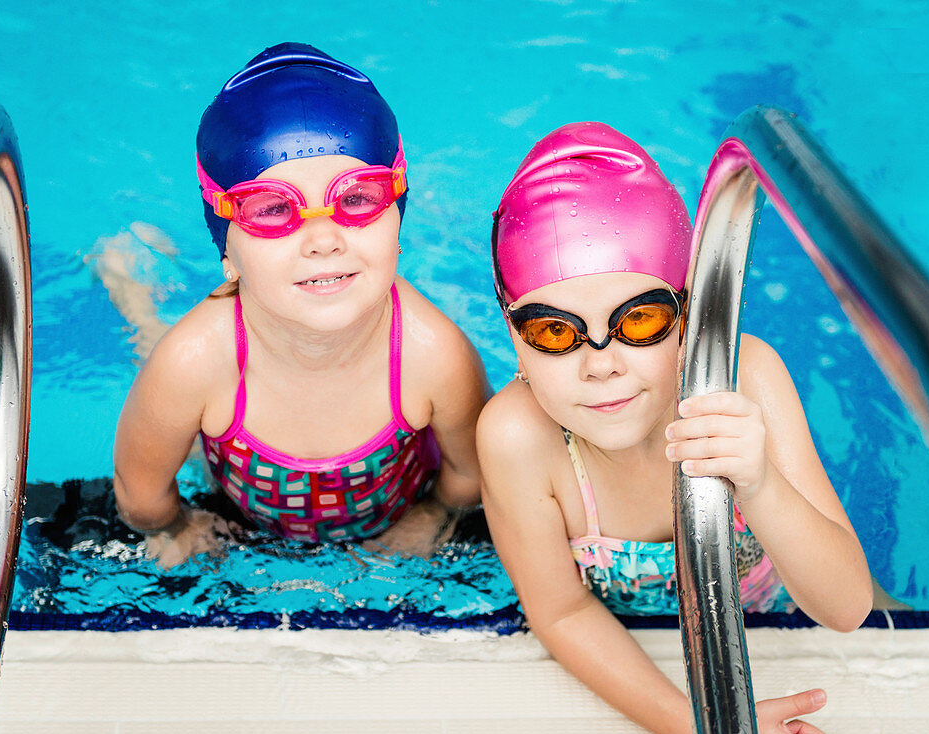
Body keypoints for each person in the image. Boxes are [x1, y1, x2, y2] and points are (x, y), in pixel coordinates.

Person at [477, 122, 873, 734]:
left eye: (639, 322)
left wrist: (761, 484)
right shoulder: (516, 437)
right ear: (514, 339)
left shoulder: (747, 381)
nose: (602, 364)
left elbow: (847, 607)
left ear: (687, 316)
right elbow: (561, 612)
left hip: (777, 613)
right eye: (554, 331)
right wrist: (695, 723)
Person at [114, 43, 488, 567]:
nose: (323, 239)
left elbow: (469, 476)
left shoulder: (432, 354)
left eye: (356, 198)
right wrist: (177, 527)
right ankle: (134, 290)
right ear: (227, 248)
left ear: (398, 217)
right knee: (158, 355)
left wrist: (430, 516)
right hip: (226, 451)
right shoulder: (195, 361)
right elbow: (140, 493)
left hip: (393, 508)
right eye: (272, 209)